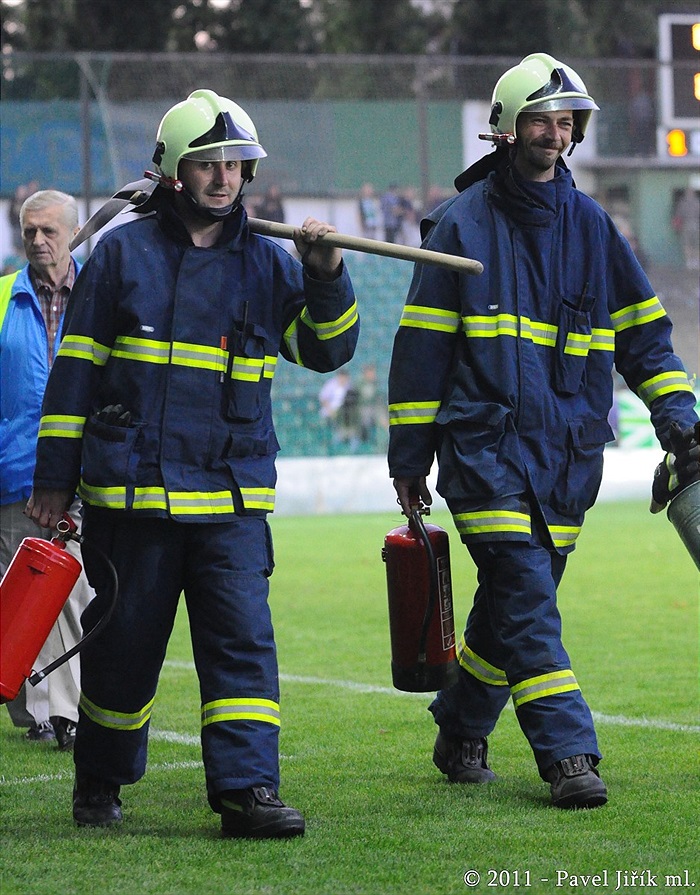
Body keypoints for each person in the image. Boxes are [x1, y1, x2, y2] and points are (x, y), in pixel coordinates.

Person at [26, 89, 359, 837]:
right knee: (122, 653)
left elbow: (327, 349)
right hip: (134, 502)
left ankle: (248, 790)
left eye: (235, 165)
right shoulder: (122, 255)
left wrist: (327, 272)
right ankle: (101, 778)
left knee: (243, 650)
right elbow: (74, 375)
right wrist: (53, 480)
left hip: (231, 504)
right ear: (174, 171)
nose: (224, 178)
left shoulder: (271, 265)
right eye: (208, 164)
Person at [387, 53, 699, 811]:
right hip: (484, 453)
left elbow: (645, 339)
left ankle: (460, 728)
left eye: (566, 123)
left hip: (566, 458)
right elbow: (420, 357)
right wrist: (409, 458)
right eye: (540, 121)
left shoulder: (592, 227)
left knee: (508, 608)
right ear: (505, 129)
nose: (555, 135)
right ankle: (568, 754)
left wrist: (680, 422)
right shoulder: (458, 227)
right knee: (527, 601)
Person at [0, 189, 95, 752]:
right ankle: (32, 707)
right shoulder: (2, 299)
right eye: (29, 231)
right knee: (17, 597)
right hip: (15, 473)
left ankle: (62, 713)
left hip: (85, 474)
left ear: (73, 233)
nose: (37, 240)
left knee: (69, 592)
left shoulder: (100, 296)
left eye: (49, 231)